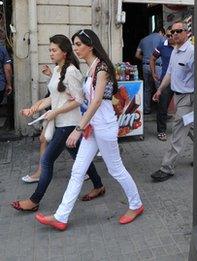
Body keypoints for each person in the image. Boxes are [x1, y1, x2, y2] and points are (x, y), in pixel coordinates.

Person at [35, 29, 144, 231]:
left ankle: (136, 204)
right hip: (94, 127)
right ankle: (61, 216)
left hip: (103, 128)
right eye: (74, 44)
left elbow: (95, 103)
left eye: (78, 44)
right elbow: (88, 100)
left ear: (90, 45)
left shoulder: (101, 68)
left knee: (116, 169)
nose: (75, 48)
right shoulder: (91, 67)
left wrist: (79, 128)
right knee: (77, 170)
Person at [11, 34, 105, 212]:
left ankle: (34, 200)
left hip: (69, 124)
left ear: (64, 52)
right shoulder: (56, 70)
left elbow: (78, 100)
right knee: (79, 157)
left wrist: (54, 112)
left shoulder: (72, 72)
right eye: (50, 50)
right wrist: (34, 108)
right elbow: (54, 98)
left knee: (46, 160)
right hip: (60, 122)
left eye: (54, 50)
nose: (51, 53)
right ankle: (99, 185)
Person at [151, 21, 194, 182]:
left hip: (189, 98)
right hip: (178, 96)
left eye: (178, 31)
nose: (174, 35)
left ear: (186, 32)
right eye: (171, 33)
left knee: (177, 131)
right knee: (191, 129)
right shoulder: (175, 51)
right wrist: (160, 90)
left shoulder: (191, 52)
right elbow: (169, 73)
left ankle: (166, 168)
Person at [149, 26, 175, 141]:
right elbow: (152, 58)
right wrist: (153, 72)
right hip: (166, 81)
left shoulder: (184, 47)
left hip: (181, 82)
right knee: (162, 107)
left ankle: (187, 129)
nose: (169, 37)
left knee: (186, 107)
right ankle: (161, 131)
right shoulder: (162, 46)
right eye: (167, 35)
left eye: (171, 35)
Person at [135, 27, 165, 115]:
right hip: (157, 67)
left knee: (147, 88)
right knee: (159, 89)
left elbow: (137, 55)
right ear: (160, 32)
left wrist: (145, 59)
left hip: (145, 66)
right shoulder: (162, 38)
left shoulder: (143, 40)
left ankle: (146, 109)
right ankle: (161, 112)